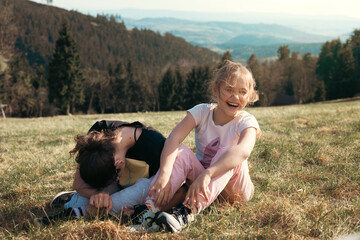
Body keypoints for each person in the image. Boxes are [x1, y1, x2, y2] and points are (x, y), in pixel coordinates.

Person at [136, 60, 262, 233]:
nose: (235, 97)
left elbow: (243, 151)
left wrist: (209, 173)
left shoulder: (246, 121)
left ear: (249, 96)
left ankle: (185, 212)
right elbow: (173, 139)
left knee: (228, 153)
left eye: (242, 92)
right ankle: (149, 209)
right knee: (181, 151)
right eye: (229, 90)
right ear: (215, 89)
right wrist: (164, 174)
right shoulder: (202, 112)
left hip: (234, 192)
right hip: (202, 184)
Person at [35, 120, 186, 226]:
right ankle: (78, 203)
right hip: (111, 190)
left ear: (117, 165)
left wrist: (143, 210)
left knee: (145, 186)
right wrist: (95, 193)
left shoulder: (155, 145)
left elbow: (180, 189)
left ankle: (79, 211)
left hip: (139, 192)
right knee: (83, 199)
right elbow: (79, 182)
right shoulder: (98, 133)